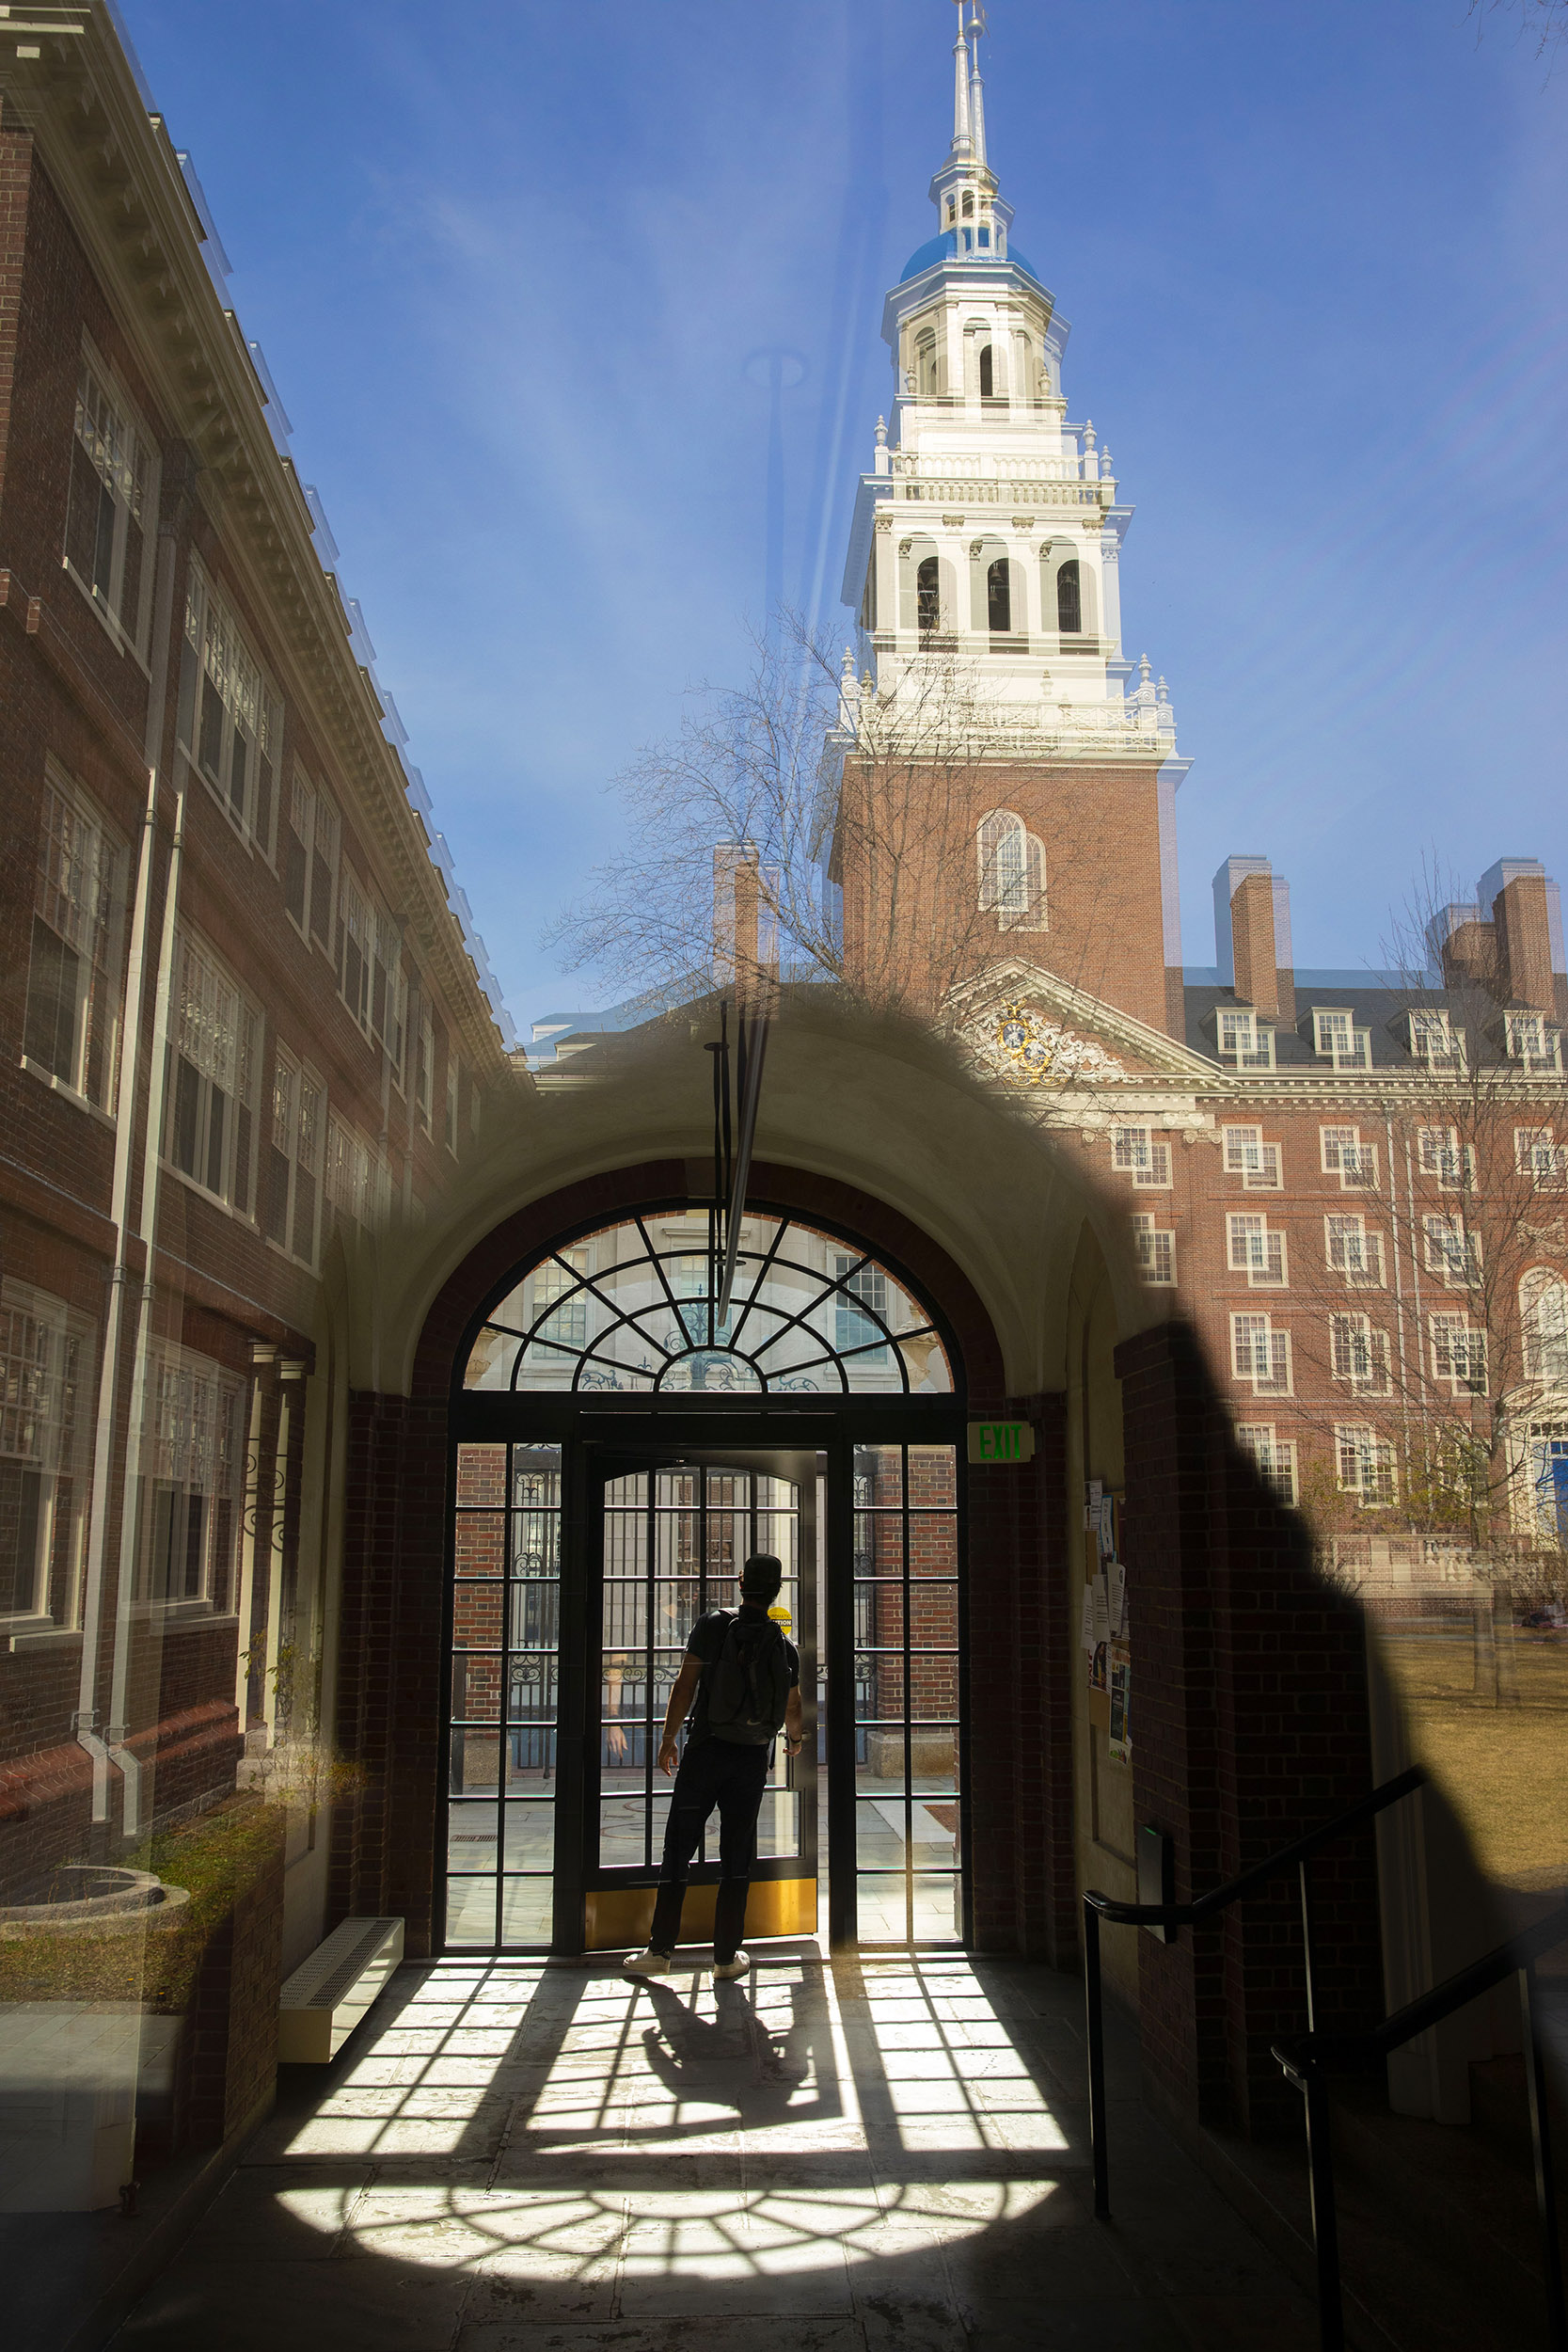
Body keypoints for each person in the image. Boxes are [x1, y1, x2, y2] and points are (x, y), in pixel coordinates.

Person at [625, 1551, 803, 1980]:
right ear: (776, 1590)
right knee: (736, 1856)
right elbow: (794, 1706)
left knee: (678, 1850)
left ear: (740, 1582)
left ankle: (660, 1951)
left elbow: (685, 1685)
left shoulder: (711, 1625)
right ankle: (726, 1958)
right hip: (749, 1761)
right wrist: (795, 1741)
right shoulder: (784, 1645)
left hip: (705, 1752)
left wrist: (669, 1739)